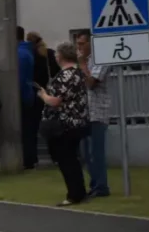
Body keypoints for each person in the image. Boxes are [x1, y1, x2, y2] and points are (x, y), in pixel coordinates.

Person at [36, 42, 90, 205]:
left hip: (64, 124)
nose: (55, 57)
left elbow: (56, 101)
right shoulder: (79, 73)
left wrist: (43, 95)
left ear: (61, 56)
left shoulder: (65, 75)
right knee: (72, 158)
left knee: (66, 160)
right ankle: (79, 191)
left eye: (57, 54)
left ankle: (74, 194)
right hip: (77, 121)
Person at [74, 30, 110, 197]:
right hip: (83, 112)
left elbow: (91, 84)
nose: (79, 47)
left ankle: (101, 186)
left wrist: (82, 65)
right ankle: (94, 184)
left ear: (91, 43)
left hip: (97, 112)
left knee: (96, 153)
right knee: (85, 153)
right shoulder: (84, 61)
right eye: (78, 44)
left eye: (82, 44)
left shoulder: (100, 60)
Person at [17, 26, 38, 169]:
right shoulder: (26, 51)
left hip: (22, 97)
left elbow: (18, 78)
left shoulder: (19, 53)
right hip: (27, 95)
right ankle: (29, 158)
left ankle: (27, 160)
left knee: (25, 130)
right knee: (29, 130)